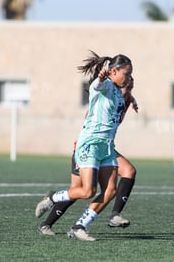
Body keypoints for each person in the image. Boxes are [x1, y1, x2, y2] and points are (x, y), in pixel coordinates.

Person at [35, 51, 132, 241]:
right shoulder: (102, 86)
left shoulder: (120, 96)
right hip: (91, 145)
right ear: (113, 72)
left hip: (107, 147)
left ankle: (79, 227)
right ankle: (53, 197)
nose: (128, 78)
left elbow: (116, 113)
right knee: (87, 191)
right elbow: (98, 85)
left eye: (130, 75)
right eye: (126, 74)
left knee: (110, 190)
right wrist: (101, 78)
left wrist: (130, 97)